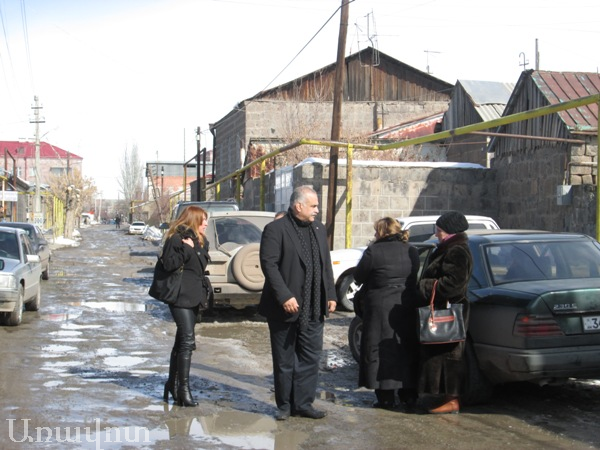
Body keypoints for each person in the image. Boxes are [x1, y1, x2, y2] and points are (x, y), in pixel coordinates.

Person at [258, 185, 337, 421]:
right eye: (313, 206)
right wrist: (284, 295)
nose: (317, 211)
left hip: (314, 306)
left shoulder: (319, 229)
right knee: (284, 360)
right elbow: (269, 265)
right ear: (298, 205)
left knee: (310, 358)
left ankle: (303, 403)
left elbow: (325, 264)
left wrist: (330, 294)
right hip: (285, 307)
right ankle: (284, 405)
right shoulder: (276, 229)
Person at [353, 217, 420, 411]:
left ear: (381, 232)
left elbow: (358, 276)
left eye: (376, 231)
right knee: (405, 349)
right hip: (406, 304)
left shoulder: (374, 251)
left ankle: (385, 397)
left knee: (379, 350)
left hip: (380, 305)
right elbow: (414, 276)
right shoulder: (411, 250)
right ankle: (408, 395)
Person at [417, 211, 473, 414]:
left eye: (439, 230)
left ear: (448, 231)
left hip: (450, 311)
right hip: (442, 309)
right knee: (440, 353)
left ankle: (452, 399)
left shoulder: (456, 251)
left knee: (450, 356)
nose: (436, 233)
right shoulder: (448, 248)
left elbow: (454, 284)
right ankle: (440, 396)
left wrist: (426, 285)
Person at [160, 205, 210, 407]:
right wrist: (185, 249)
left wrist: (195, 248)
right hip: (179, 297)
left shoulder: (201, 240)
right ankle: (184, 390)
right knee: (188, 341)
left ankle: (172, 384)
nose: (206, 223)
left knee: (181, 342)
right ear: (193, 220)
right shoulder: (176, 238)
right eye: (203, 220)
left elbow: (200, 267)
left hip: (195, 297)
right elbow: (169, 264)